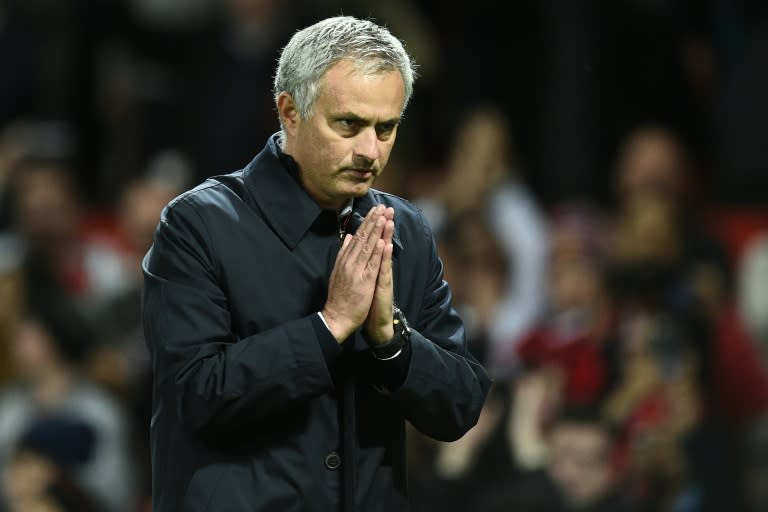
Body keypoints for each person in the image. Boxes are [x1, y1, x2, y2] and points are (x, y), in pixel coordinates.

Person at [142, 15, 492, 512]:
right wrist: (329, 328)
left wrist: (391, 342)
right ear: (289, 111)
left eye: (386, 128)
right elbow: (194, 395)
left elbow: (461, 404)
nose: (370, 150)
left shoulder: (405, 229)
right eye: (348, 124)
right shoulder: (198, 224)